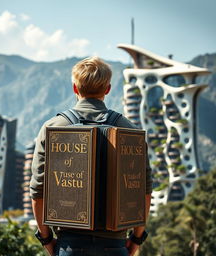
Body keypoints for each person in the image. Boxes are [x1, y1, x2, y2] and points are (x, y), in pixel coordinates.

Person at [30, 56, 152, 256]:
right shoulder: (128, 129)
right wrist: (136, 239)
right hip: (115, 246)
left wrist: (47, 240)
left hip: (69, 245)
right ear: (108, 89)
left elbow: (37, 193)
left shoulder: (53, 128)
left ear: (75, 88)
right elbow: (144, 192)